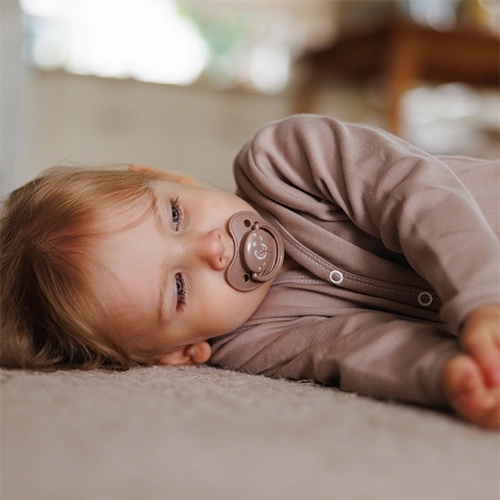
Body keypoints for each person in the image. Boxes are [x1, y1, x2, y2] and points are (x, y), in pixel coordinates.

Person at [1, 114, 499, 429]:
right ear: (178, 354)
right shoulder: (248, 346)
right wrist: (446, 372)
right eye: (178, 287)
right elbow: (354, 347)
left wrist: (482, 299)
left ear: (169, 178)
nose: (212, 248)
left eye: (174, 215)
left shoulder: (281, 160)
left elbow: (414, 195)